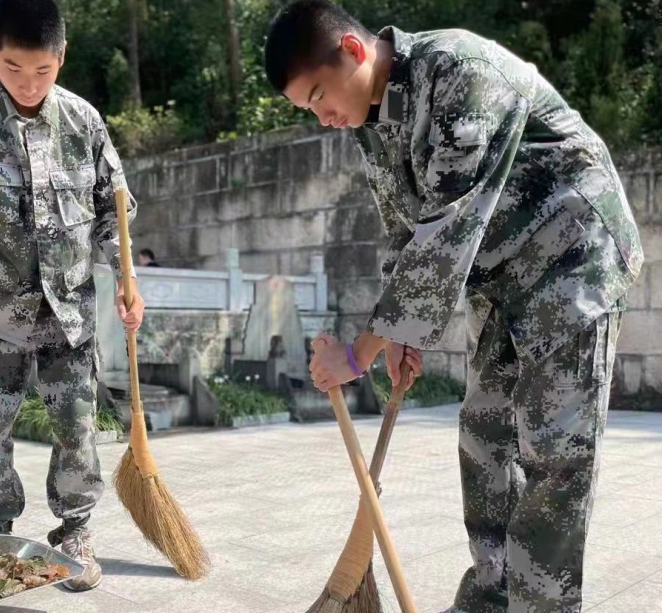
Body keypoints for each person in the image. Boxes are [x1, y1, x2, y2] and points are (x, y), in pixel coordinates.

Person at [264, 2, 643, 612]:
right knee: (484, 439)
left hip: (573, 262)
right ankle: (489, 599)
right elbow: (404, 236)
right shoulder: (371, 119)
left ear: (354, 53)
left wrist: (357, 357)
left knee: (554, 454)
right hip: (502, 279)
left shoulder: (459, 71)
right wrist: (400, 338)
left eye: (317, 96)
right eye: (308, 109)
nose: (323, 117)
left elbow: (444, 233)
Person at [0, 0, 145, 592]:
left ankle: (74, 530)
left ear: (62, 57)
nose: (28, 83)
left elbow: (111, 212)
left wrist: (125, 276)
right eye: (14, 67)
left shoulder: (86, 123)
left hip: (69, 313)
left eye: (43, 70)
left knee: (77, 428)